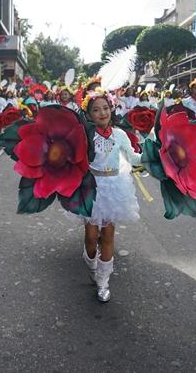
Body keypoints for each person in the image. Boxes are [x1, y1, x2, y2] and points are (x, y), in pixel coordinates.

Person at [71, 90, 143, 302]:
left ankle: (103, 281)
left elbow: (134, 158)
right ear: (89, 114)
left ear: (111, 109)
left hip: (114, 187)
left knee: (108, 235)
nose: (102, 113)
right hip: (91, 187)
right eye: (96, 110)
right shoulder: (86, 135)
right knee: (91, 237)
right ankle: (91, 262)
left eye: (105, 108)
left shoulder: (120, 134)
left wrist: (153, 154)